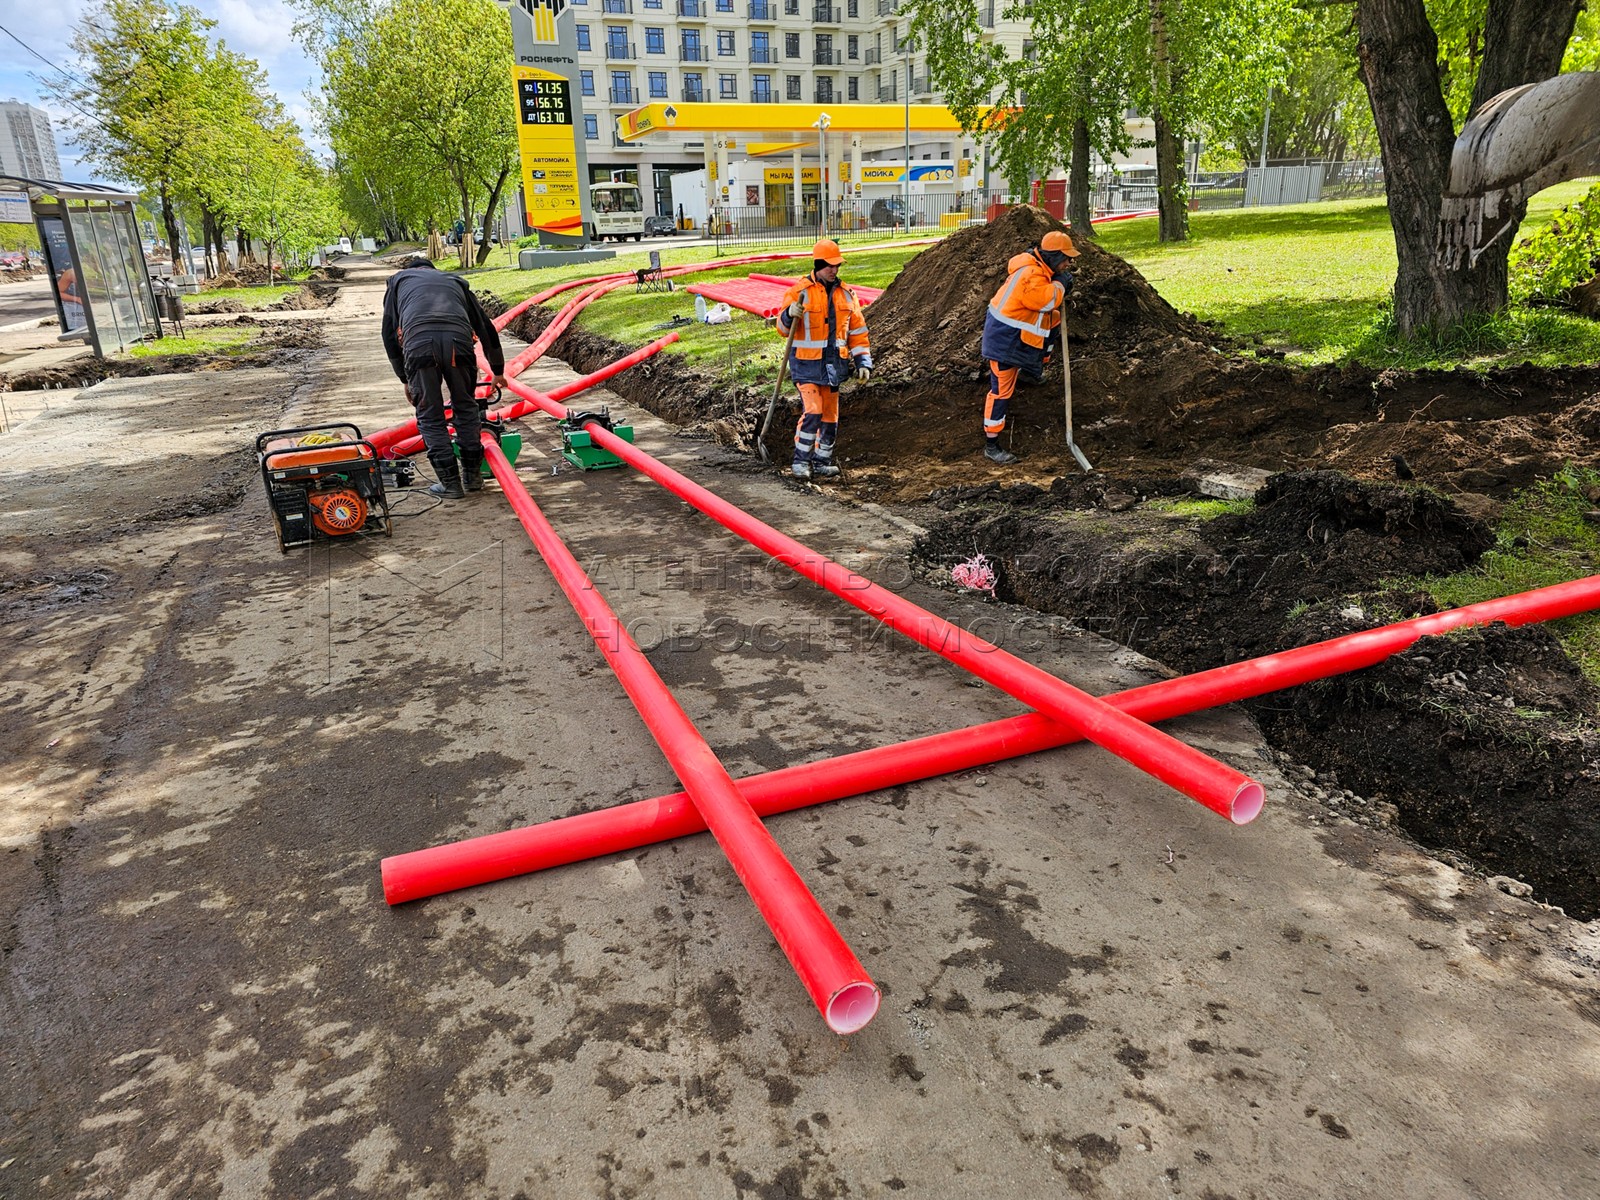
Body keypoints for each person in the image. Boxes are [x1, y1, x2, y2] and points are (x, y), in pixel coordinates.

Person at [380, 256, 508, 499]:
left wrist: (404, 378)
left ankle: (450, 484)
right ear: (433, 270)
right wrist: (498, 370)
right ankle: (472, 477)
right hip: (458, 344)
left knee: (430, 414)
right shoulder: (455, 280)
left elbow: (388, 334)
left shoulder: (397, 282)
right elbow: (485, 327)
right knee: (466, 407)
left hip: (419, 346)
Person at [978, 229, 1080, 464]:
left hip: (1015, 337)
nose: (1069, 264)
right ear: (1053, 257)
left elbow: (1048, 307)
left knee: (1054, 317)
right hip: (1003, 342)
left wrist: (1058, 282)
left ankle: (1032, 371)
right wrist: (1061, 285)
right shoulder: (1032, 275)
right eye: (1066, 259)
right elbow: (1045, 300)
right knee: (1001, 391)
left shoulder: (1039, 270)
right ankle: (991, 446)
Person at [776, 238, 873, 480]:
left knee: (830, 416)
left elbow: (858, 333)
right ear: (818, 264)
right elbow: (782, 328)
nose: (834, 270)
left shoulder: (847, 295)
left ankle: (822, 461)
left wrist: (863, 362)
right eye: (830, 265)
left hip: (834, 367)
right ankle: (801, 461)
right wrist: (789, 314)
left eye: (837, 265)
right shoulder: (799, 293)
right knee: (814, 411)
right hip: (806, 365)